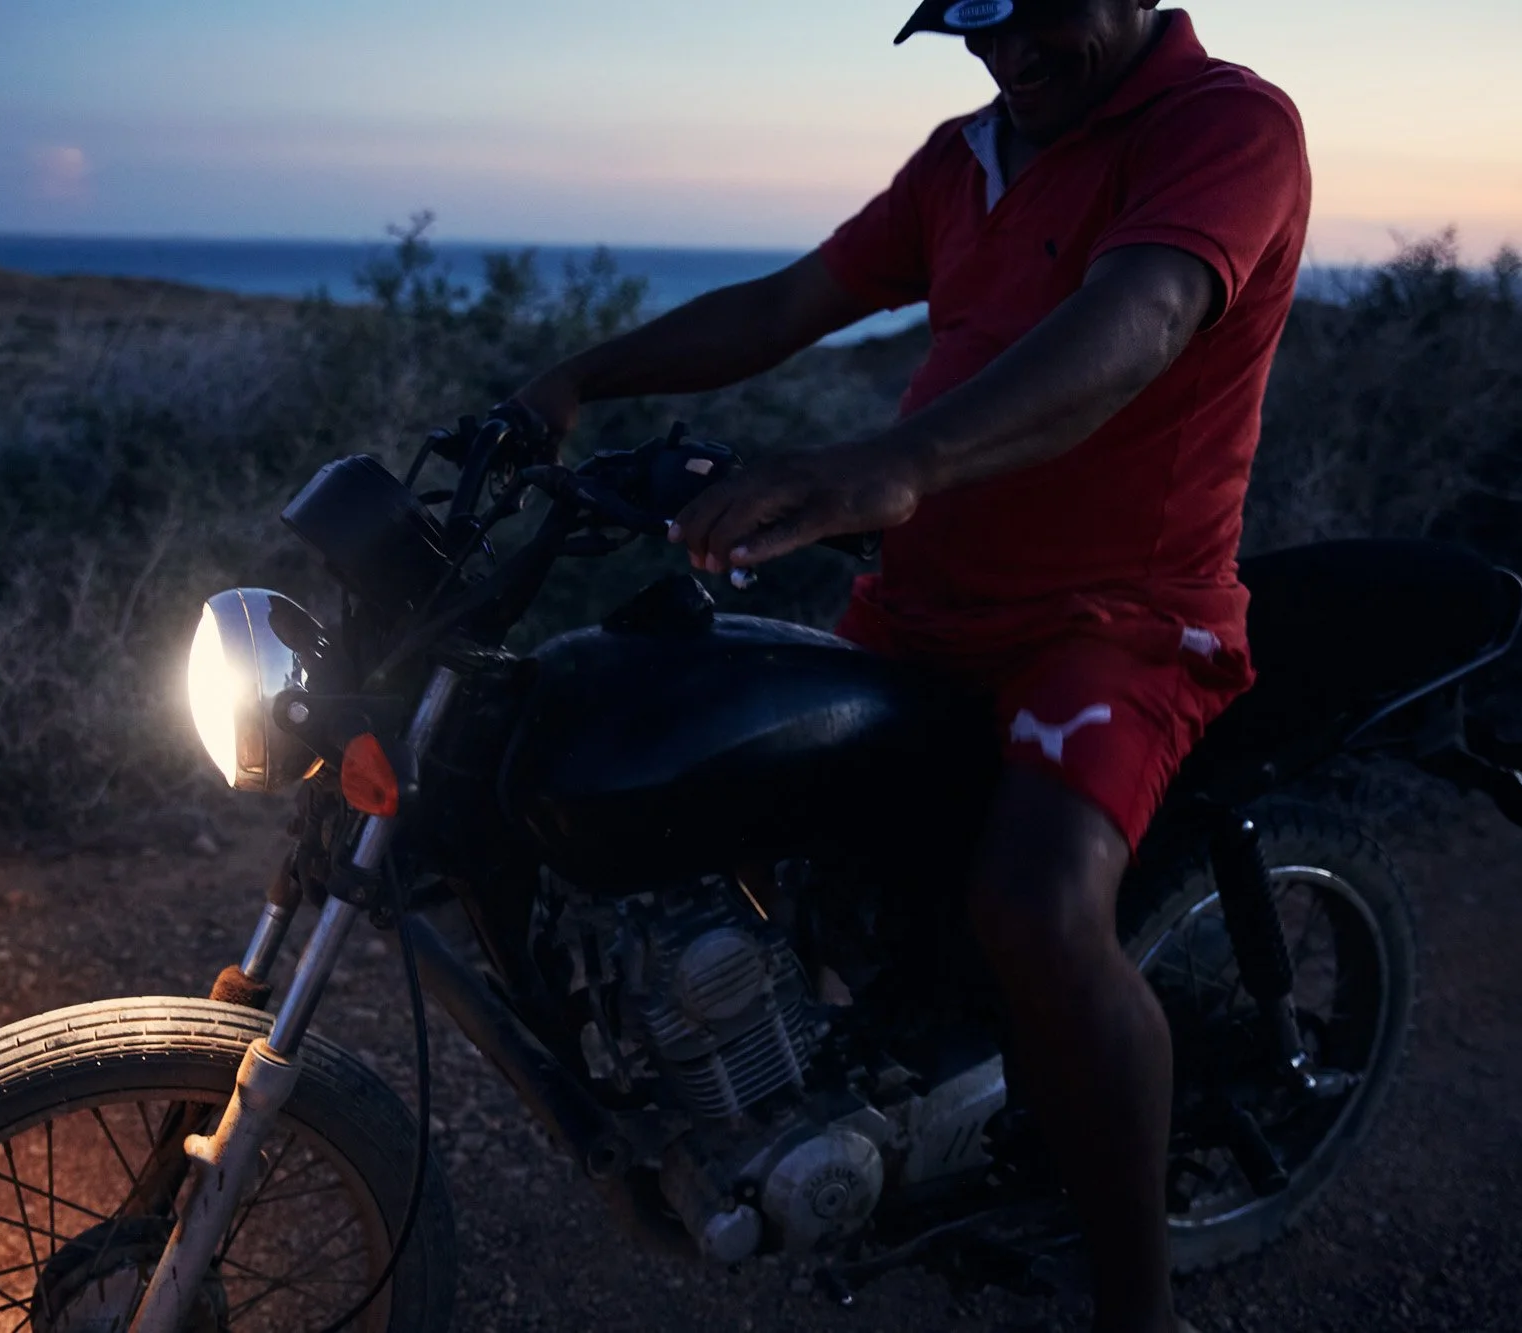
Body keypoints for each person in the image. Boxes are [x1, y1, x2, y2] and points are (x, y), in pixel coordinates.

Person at [511, 1, 1309, 1329]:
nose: (1008, 49)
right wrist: (574, 380)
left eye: (1037, 10)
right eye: (971, 22)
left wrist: (899, 461)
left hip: (1116, 621)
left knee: (1038, 909)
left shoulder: (1223, 123)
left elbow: (1147, 315)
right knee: (741, 813)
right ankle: (872, 1111)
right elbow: (789, 305)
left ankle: (1137, 1305)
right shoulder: (966, 159)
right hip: (926, 604)